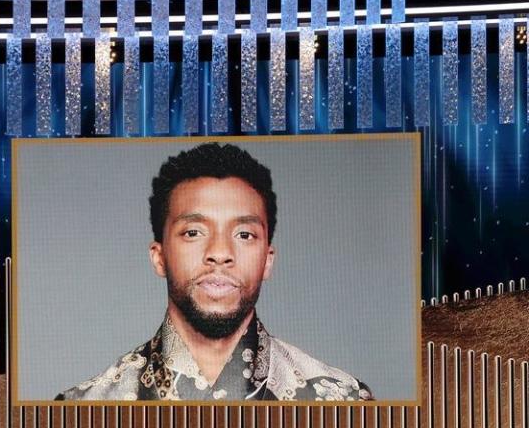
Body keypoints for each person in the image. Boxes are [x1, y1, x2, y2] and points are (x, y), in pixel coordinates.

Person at [57, 143, 373, 402]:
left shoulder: (342, 402)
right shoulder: (80, 411)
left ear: (268, 260)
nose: (220, 253)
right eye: (193, 232)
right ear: (159, 257)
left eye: (244, 235)